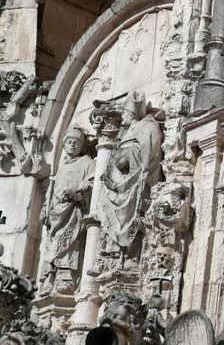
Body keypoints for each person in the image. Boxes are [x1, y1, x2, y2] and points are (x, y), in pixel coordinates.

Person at [98, 92, 162, 269]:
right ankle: (114, 256)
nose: (122, 118)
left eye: (124, 114)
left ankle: (132, 256)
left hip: (135, 181)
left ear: (131, 114)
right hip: (120, 183)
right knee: (117, 218)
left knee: (133, 216)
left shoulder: (148, 127)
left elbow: (150, 155)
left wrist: (143, 172)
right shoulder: (125, 133)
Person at [39, 127, 94, 295]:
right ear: (63, 144)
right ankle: (49, 279)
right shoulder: (61, 166)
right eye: (69, 141)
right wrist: (44, 209)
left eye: (76, 142)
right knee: (52, 244)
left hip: (73, 210)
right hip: (56, 213)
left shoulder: (86, 162)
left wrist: (77, 190)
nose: (72, 144)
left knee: (70, 243)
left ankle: (66, 277)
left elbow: (91, 183)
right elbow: (51, 190)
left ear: (82, 146)